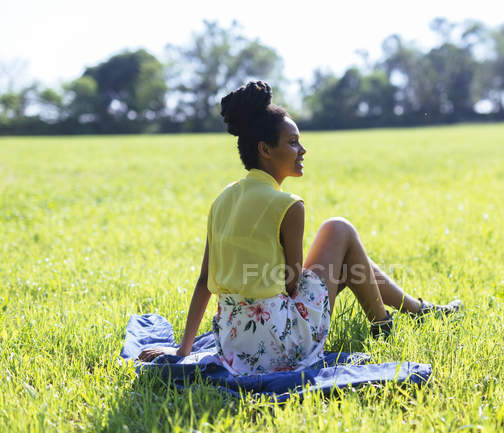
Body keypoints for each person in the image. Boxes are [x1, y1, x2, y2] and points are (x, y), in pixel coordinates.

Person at [138, 81, 462, 375]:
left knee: (344, 260)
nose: (302, 151)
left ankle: (414, 311)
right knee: (339, 229)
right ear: (265, 149)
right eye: (293, 142)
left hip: (234, 346)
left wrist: (183, 350)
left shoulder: (222, 198)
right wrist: (328, 272)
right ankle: (384, 323)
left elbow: (204, 280)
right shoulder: (288, 205)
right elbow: (293, 285)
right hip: (281, 345)